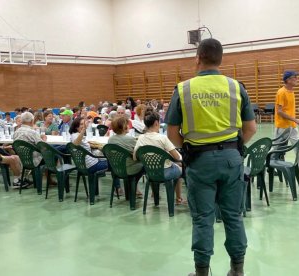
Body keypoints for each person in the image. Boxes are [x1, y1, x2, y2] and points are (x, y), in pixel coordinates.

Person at [165, 38, 257, 276]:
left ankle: (202, 272)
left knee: (203, 218)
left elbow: (172, 134)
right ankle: (237, 270)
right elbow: (251, 129)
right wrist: (233, 148)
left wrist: (190, 148)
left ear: (197, 58)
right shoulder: (236, 87)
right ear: (221, 59)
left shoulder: (183, 89)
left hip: (199, 161)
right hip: (231, 159)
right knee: (233, 216)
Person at [134, 110, 186, 204]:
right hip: (165, 172)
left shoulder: (140, 138)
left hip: (150, 173)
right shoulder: (162, 138)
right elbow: (177, 157)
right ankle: (178, 198)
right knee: (180, 168)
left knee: (155, 167)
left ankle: (155, 195)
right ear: (156, 123)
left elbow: (135, 157)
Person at [108, 115, 144, 197]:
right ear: (124, 126)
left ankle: (134, 188)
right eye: (127, 124)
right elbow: (140, 153)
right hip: (130, 169)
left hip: (117, 169)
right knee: (145, 164)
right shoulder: (130, 140)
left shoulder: (110, 139)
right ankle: (136, 187)